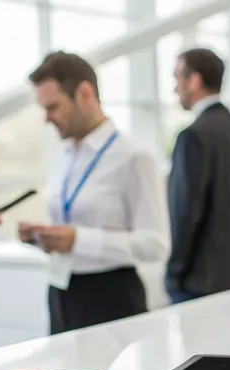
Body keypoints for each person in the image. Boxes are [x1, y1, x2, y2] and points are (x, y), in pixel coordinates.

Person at [21, 52, 169, 334]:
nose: (47, 119)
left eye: (53, 107)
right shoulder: (64, 155)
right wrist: (43, 237)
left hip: (110, 298)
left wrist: (78, 240)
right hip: (61, 292)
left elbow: (155, 245)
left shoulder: (133, 157)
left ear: (85, 94)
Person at [166, 48, 230, 303]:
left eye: (177, 78)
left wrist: (173, 273)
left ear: (194, 80)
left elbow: (185, 213)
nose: (175, 88)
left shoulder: (192, 136)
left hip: (201, 282)